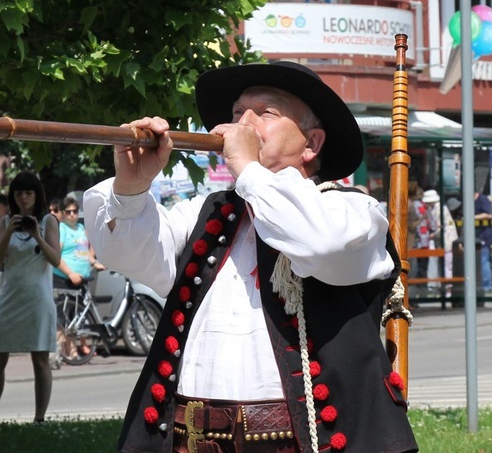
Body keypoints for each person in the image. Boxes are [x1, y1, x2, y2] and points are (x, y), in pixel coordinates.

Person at [85, 61, 418, 452]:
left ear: (311, 144)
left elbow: (319, 243)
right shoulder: (207, 212)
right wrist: (131, 187)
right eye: (236, 113)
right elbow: (128, 255)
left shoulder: (351, 212)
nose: (243, 123)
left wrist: (247, 168)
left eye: (266, 112)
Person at [0, 172, 60, 425]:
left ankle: (40, 418)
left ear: (37, 195)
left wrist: (37, 234)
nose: (24, 198)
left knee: (40, 359)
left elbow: (55, 259)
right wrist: (7, 231)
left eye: (28, 193)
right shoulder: (6, 222)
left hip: (38, 300)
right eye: (18, 194)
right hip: (11, 297)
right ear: (12, 197)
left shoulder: (48, 221)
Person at [53, 196, 105, 359]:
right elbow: (55, 256)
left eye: (75, 211)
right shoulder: (61, 229)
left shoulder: (81, 228)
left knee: (76, 317)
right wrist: (70, 273)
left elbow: (84, 252)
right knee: (63, 317)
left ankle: (73, 350)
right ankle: (62, 351)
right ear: (62, 213)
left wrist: (94, 263)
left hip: (81, 278)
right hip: (64, 278)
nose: (73, 215)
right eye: (69, 212)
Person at [423, 190, 458, 297]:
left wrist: (433, 234)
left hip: (447, 239)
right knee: (441, 265)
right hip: (440, 241)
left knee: (447, 265)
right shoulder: (431, 209)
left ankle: (448, 289)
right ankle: (441, 287)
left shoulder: (440, 209)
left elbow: (442, 226)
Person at [475, 192, 492, 292]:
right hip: (477, 235)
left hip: (485, 236)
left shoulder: (483, 199)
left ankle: (486, 285)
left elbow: (489, 214)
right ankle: (483, 284)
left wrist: (473, 217)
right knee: (481, 260)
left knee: (484, 260)